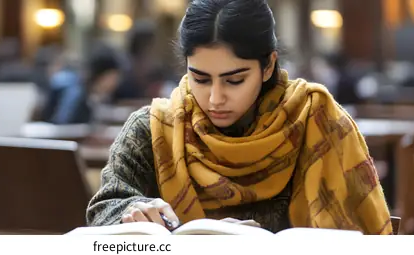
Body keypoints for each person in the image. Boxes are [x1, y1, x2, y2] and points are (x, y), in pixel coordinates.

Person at [86, 0, 392, 235]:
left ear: (268, 65)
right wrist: (132, 210)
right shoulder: (152, 130)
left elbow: (359, 236)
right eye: (201, 79)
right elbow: (104, 210)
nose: (215, 98)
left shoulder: (317, 122)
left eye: (234, 81)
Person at [42, 43, 121, 124]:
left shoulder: (95, 94)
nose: (115, 83)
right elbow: (63, 121)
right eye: (113, 78)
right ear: (101, 76)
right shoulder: (75, 91)